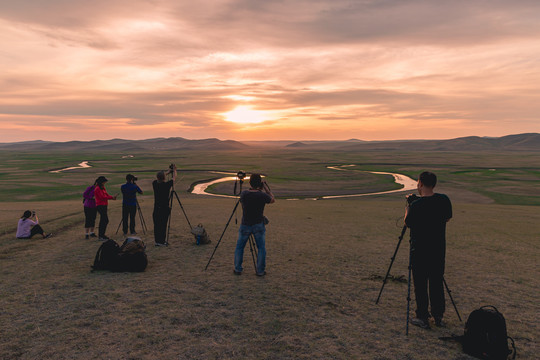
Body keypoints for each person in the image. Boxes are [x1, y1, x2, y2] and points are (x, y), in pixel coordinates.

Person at [405, 171, 452, 329]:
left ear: (420, 184)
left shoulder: (416, 205)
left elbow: (408, 222)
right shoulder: (444, 200)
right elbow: (447, 218)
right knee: (436, 283)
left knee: (420, 284)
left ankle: (422, 317)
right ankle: (438, 316)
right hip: (438, 250)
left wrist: (409, 205)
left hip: (420, 251)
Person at [234, 174, 275, 276]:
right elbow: (272, 199)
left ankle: (238, 269)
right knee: (261, 248)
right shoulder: (262, 195)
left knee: (239, 247)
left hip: (245, 224)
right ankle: (260, 271)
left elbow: (241, 200)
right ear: (259, 183)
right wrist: (266, 188)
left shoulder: (244, 194)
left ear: (250, 182)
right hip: (258, 225)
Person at [152, 165, 176, 246]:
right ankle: (161, 242)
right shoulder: (166, 185)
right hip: (164, 208)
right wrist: (174, 170)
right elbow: (174, 178)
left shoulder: (154, 184)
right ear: (164, 178)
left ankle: (157, 241)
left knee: (157, 225)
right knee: (163, 225)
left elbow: (159, 177)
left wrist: (167, 172)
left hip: (156, 209)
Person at [94, 176, 117, 241]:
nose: (105, 183)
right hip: (100, 205)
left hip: (104, 205)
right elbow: (102, 197)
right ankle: (101, 235)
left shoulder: (102, 188)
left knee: (104, 220)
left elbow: (106, 195)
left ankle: (102, 235)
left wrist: (112, 197)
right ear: (101, 182)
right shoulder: (97, 188)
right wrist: (111, 197)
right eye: (104, 182)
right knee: (104, 220)